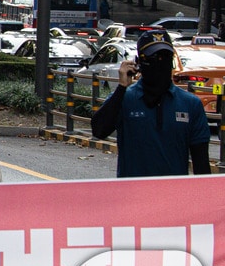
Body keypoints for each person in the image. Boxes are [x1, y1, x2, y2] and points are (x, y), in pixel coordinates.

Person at [91, 29, 212, 177]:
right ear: (139, 62)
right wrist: (121, 88)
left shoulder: (190, 104)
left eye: (165, 56)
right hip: (132, 194)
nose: (160, 62)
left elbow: (202, 165)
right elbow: (99, 131)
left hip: (173, 195)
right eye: (154, 57)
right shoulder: (125, 99)